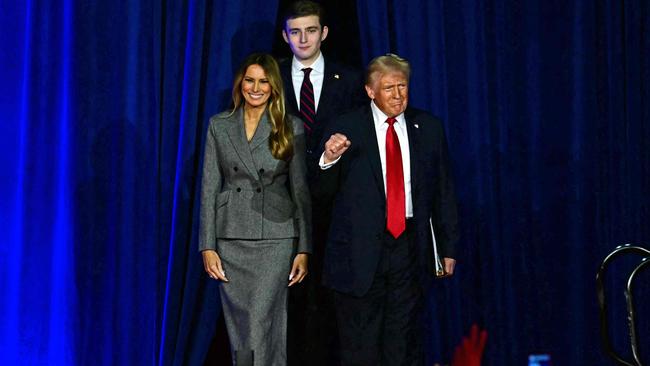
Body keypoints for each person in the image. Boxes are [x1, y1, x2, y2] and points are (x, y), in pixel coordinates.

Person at [316, 53, 459, 365]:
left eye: (403, 87)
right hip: (358, 254)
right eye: (389, 89)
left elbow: (443, 192)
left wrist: (448, 247)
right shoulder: (346, 127)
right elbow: (321, 194)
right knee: (360, 348)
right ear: (370, 91)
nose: (398, 96)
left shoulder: (429, 127)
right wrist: (329, 159)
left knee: (402, 343)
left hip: (408, 249)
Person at [199, 53, 312, 366]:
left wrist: (304, 248)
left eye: (263, 81)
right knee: (240, 329)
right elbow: (209, 188)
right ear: (240, 83)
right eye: (250, 80)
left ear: (274, 87)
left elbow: (300, 191)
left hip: (274, 239)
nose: (256, 87)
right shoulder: (219, 125)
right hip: (230, 238)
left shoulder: (290, 127)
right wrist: (207, 245)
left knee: (260, 321)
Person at [278, 1, 366, 364]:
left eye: (311, 30)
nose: (304, 38)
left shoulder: (349, 80)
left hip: (336, 208)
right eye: (295, 31)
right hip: (283, 208)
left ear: (324, 33)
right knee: (290, 305)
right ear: (285, 36)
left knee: (332, 305)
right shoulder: (273, 77)